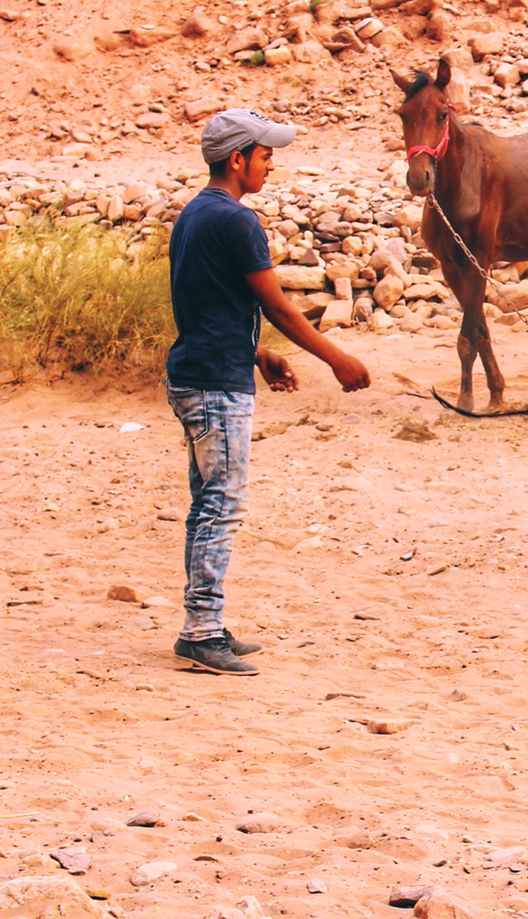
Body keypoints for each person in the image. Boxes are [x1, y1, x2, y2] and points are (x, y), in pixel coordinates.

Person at [165, 109, 371, 675]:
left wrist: (255, 353)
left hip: (197, 371)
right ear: (238, 159)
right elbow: (276, 305)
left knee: (205, 504)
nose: (270, 165)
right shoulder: (236, 220)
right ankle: (202, 630)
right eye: (265, 155)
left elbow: (203, 304)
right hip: (214, 384)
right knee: (221, 506)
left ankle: (203, 624)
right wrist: (337, 358)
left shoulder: (194, 215)